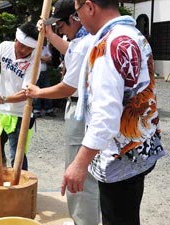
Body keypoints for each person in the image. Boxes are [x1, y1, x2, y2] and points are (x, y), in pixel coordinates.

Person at [61, 1, 165, 225]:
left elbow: (106, 115)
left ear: (89, 7)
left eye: (78, 13)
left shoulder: (108, 45)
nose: (79, 19)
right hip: (140, 146)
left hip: (120, 155)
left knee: (117, 217)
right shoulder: (134, 34)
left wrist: (79, 163)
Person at [26, 0, 100, 225]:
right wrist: (50, 35)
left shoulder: (84, 42)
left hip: (81, 110)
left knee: (81, 176)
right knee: (91, 174)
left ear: (76, 18)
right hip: (89, 109)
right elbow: (72, 51)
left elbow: (68, 87)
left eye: (60, 25)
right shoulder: (86, 39)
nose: (60, 29)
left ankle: (83, 221)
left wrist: (38, 91)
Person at [0, 22, 40, 170]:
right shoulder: (5, 47)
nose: (24, 50)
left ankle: (21, 185)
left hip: (20, 113)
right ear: (16, 40)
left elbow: (27, 93)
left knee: (17, 154)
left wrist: (4, 99)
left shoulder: (34, 62)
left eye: (29, 48)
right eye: (21, 45)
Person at [32, 40, 55, 118]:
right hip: (35, 73)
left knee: (47, 89)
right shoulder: (34, 48)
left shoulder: (45, 48)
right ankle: (36, 109)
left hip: (44, 72)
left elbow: (49, 58)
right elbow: (34, 57)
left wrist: (41, 58)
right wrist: (44, 58)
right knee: (36, 90)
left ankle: (49, 109)